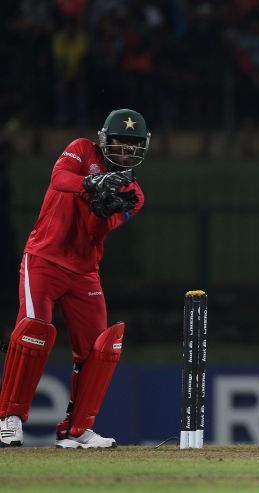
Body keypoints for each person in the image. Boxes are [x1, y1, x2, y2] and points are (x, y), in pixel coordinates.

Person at [0, 109, 148, 449]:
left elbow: (100, 231)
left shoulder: (134, 193)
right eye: (120, 143)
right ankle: (8, 418)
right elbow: (59, 179)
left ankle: (77, 430)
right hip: (44, 258)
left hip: (84, 271)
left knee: (98, 349)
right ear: (104, 140)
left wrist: (104, 208)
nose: (125, 151)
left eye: (132, 146)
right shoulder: (81, 150)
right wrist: (92, 183)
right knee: (33, 331)